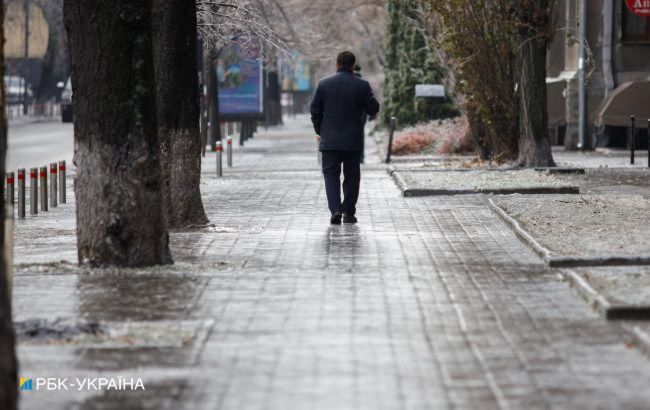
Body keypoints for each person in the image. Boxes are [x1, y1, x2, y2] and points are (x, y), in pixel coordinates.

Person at [310, 51, 380, 225]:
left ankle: (335, 210)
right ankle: (347, 211)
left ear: (336, 64)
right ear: (352, 65)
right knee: (352, 176)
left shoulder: (323, 84)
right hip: (352, 141)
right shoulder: (362, 85)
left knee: (331, 175)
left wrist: (321, 130)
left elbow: (315, 111)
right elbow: (373, 109)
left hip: (330, 141)